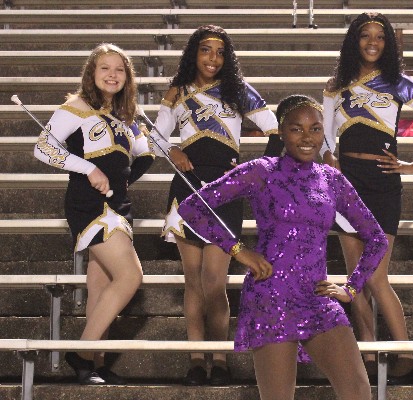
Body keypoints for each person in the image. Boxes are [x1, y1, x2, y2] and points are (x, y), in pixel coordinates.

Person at [177, 94, 387, 400]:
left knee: (357, 391)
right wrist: (238, 250)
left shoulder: (332, 180)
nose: (307, 138)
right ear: (281, 131)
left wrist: (351, 289)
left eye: (315, 129)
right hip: (271, 296)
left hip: (317, 298)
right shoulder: (262, 170)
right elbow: (193, 206)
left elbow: (377, 238)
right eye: (296, 129)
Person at [321, 12, 413, 384]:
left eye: (379, 37)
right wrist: (329, 165)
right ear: (354, 40)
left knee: (377, 278)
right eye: (364, 35)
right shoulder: (336, 86)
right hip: (347, 184)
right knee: (356, 278)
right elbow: (325, 142)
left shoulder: (398, 83)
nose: (372, 42)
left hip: (384, 184)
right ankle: (365, 353)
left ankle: (406, 355)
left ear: (388, 43)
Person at [149, 25, 280, 386]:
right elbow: (156, 136)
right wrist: (172, 149)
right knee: (192, 281)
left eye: (220, 52)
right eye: (206, 50)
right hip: (187, 188)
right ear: (194, 53)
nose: (212, 58)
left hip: (226, 190)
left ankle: (220, 357)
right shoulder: (178, 92)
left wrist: (255, 173)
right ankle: (195, 359)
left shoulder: (237, 91)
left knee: (214, 281)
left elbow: (277, 130)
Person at [33, 43, 154, 384]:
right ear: (92, 73)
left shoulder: (126, 117)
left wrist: (126, 177)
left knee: (100, 286)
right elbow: (43, 147)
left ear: (127, 77)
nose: (112, 74)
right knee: (131, 277)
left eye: (119, 69)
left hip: (118, 204)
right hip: (90, 202)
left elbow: (145, 154)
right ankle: (82, 352)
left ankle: (94, 364)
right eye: (105, 68)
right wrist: (88, 168)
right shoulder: (78, 106)